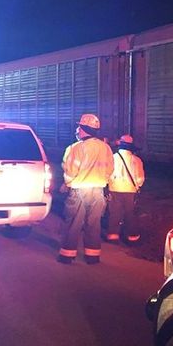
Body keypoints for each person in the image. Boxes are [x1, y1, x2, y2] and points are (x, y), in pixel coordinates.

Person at [58, 113, 114, 265]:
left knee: (73, 223)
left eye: (79, 127)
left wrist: (67, 184)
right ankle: (92, 256)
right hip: (98, 191)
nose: (77, 130)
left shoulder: (75, 148)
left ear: (83, 129)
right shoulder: (106, 148)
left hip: (79, 191)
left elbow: (69, 171)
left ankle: (67, 255)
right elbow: (110, 170)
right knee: (94, 224)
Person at [106, 134, 146, 244]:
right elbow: (140, 178)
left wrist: (109, 184)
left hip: (115, 189)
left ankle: (113, 235)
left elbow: (107, 174)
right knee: (130, 213)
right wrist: (137, 186)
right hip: (131, 190)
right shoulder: (137, 160)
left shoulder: (112, 158)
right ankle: (132, 236)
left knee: (114, 212)